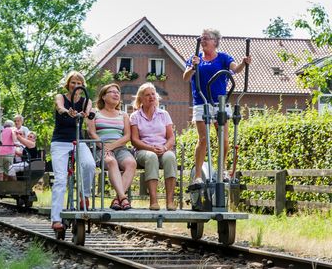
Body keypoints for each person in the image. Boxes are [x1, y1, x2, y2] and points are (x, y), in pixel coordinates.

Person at [182, 28, 251, 184]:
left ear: (215, 41)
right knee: (203, 139)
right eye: (202, 38)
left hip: (220, 102)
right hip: (201, 102)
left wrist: (243, 63)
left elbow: (235, 69)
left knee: (224, 140)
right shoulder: (194, 58)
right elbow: (185, 77)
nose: (203, 41)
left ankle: (222, 170)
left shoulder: (224, 58)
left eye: (206, 38)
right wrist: (193, 67)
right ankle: (198, 176)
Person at [50, 71, 96, 231]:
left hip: (78, 140)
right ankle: (56, 218)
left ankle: (85, 196)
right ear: (68, 84)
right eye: (73, 83)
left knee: (89, 165)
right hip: (60, 142)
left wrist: (88, 113)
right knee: (61, 180)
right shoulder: (61, 97)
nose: (76, 86)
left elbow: (90, 109)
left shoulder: (85, 100)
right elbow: (60, 107)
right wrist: (65, 111)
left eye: (79, 83)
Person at [87, 83, 136, 210]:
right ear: (103, 96)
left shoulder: (123, 114)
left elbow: (127, 136)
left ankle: (117, 199)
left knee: (131, 163)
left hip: (120, 148)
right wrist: (104, 147)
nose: (116, 94)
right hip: (100, 148)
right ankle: (123, 198)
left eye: (118, 92)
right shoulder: (94, 112)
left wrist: (112, 146)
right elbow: (91, 132)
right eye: (112, 92)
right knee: (111, 162)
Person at [130, 82, 177, 211]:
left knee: (170, 157)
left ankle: (170, 201)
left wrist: (165, 148)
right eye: (147, 95)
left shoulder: (164, 114)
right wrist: (150, 148)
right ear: (141, 99)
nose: (151, 97)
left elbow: (171, 138)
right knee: (151, 157)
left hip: (162, 148)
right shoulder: (134, 116)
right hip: (143, 151)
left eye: (153, 94)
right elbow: (134, 140)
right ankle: (153, 201)